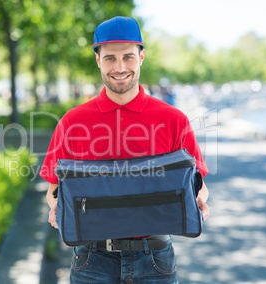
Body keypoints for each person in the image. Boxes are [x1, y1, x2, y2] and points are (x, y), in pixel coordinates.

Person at [40, 16, 210, 284]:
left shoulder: (174, 120)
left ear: (141, 57)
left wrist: (199, 198)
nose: (119, 67)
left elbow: (197, 181)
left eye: (128, 57)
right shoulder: (72, 122)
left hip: (155, 260)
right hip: (91, 261)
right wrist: (56, 206)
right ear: (98, 60)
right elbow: (54, 188)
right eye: (110, 58)